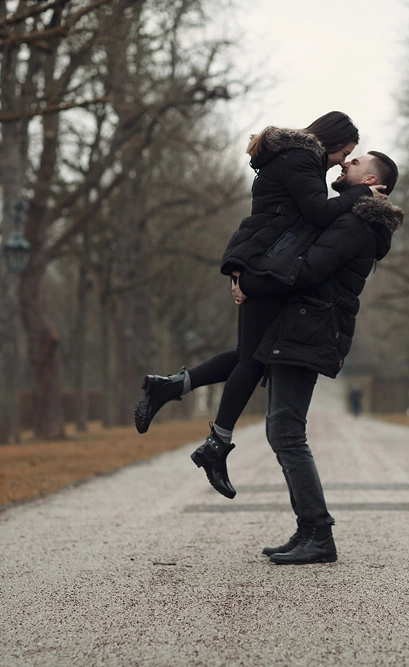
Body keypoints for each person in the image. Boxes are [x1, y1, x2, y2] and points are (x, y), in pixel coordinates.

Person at [133, 112, 386, 500]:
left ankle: (172, 390)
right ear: (332, 141)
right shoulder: (301, 160)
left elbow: (296, 221)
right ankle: (214, 443)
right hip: (266, 266)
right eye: (345, 153)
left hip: (266, 265)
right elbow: (316, 215)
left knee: (249, 355)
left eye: (351, 158)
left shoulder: (302, 159)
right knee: (252, 360)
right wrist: (362, 196)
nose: (341, 161)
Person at [232, 151, 402, 564]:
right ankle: (307, 528)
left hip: (309, 329)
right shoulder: (353, 218)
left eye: (356, 161)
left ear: (371, 178)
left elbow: (308, 270)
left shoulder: (356, 222)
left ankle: (319, 534)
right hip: (306, 327)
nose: (346, 164)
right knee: (282, 430)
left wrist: (253, 284)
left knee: (287, 431)